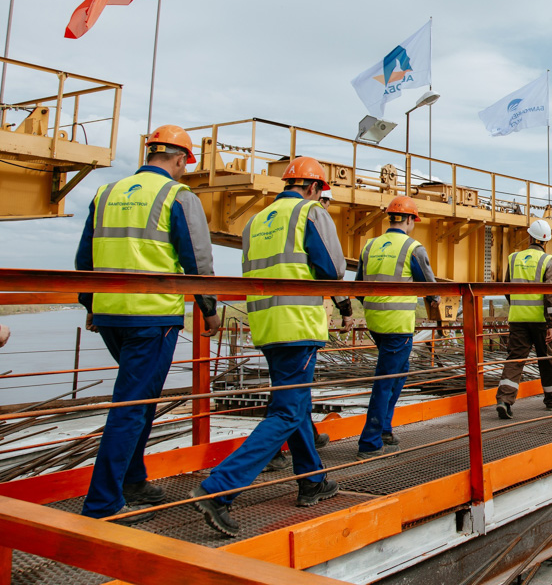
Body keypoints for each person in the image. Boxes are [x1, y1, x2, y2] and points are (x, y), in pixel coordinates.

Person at [192, 156, 349, 537]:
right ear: (313, 188)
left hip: (265, 323)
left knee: (292, 406)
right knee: (286, 411)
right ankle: (219, 489)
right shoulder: (311, 212)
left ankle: (312, 481)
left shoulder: (256, 221)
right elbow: (333, 269)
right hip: (297, 322)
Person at [75, 125, 220, 524]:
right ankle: (103, 504)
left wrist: (90, 302)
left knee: (140, 399)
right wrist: (208, 307)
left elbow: (85, 255)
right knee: (131, 406)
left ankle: (133, 480)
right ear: (179, 160)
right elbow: (196, 258)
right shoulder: (177, 195)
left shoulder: (107, 192)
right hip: (151, 316)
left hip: (109, 314)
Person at [354, 196, 439, 459]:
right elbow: (431, 289)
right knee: (386, 380)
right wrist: (435, 306)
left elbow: (358, 287)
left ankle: (385, 429)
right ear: (412, 220)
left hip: (375, 321)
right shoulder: (413, 248)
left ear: (390, 218)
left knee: (399, 372)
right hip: (398, 324)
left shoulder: (370, 245)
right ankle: (370, 441)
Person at [497, 219, 552, 419]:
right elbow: (550, 295)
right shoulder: (548, 260)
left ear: (529, 237)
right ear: (546, 242)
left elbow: (506, 288)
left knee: (515, 359)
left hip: (518, 319)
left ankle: (504, 400)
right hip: (540, 321)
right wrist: (551, 323)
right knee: (547, 360)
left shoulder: (513, 258)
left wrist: (518, 307)